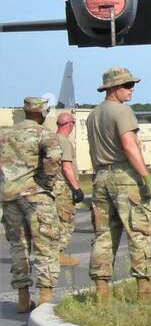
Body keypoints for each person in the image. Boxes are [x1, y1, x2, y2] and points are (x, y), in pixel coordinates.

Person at [86, 67, 151, 302]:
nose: (132, 90)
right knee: (139, 232)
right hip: (125, 177)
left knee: (103, 236)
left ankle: (101, 293)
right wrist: (146, 176)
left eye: (132, 85)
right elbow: (129, 146)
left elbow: (92, 150)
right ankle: (145, 292)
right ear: (113, 88)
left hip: (101, 178)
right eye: (127, 86)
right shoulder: (122, 111)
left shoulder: (93, 115)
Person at [1, 97, 63, 312]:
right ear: (42, 113)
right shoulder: (43, 133)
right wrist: (47, 183)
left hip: (9, 197)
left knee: (18, 246)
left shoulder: (5, 134)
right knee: (45, 244)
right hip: (35, 196)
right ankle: (45, 295)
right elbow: (54, 158)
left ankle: (23, 298)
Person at [53, 111, 85, 267]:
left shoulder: (50, 140)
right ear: (69, 124)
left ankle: (52, 254)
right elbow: (66, 167)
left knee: (55, 222)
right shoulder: (64, 142)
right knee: (66, 222)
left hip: (52, 187)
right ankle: (58, 255)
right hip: (64, 187)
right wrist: (77, 188)